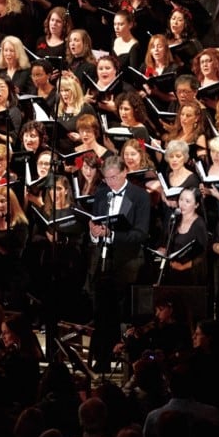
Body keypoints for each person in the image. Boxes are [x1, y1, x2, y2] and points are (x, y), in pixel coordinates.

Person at [87, 155, 151, 372]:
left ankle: (125, 359)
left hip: (128, 261)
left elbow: (141, 234)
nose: (111, 182)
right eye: (107, 179)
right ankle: (102, 359)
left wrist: (112, 235)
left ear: (125, 172)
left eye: (114, 177)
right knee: (100, 310)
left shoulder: (140, 196)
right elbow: (96, 226)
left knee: (116, 309)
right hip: (103, 260)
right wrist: (95, 233)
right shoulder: (101, 193)